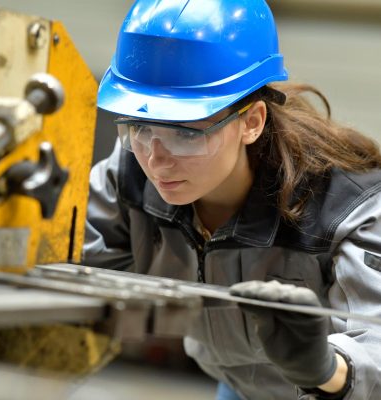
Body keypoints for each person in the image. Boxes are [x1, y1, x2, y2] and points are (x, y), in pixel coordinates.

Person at [82, 0, 381, 398]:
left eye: (186, 134)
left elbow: (375, 350)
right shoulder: (129, 177)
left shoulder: (346, 209)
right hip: (237, 387)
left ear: (252, 122)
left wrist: (324, 368)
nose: (156, 161)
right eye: (139, 126)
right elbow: (71, 266)